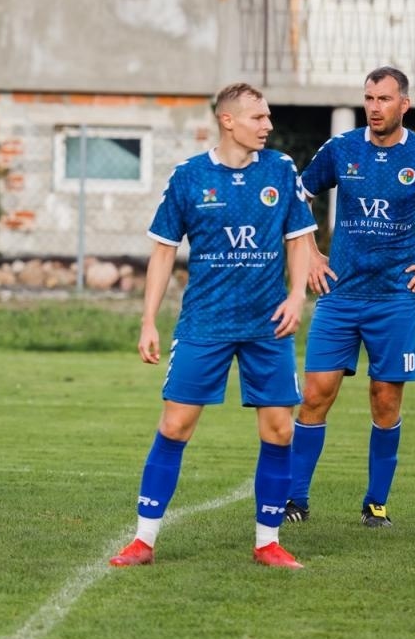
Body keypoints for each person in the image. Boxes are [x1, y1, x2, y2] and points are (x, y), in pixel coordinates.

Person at [109, 82, 314, 570]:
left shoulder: (281, 170)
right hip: (204, 321)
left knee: (281, 430)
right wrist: (148, 322)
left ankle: (268, 541)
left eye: (268, 117)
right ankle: (143, 540)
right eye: (258, 118)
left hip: (268, 325)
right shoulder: (189, 177)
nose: (268, 126)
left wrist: (296, 295)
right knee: (176, 425)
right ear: (228, 121)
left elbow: (300, 238)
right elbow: (162, 252)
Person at [286, 66, 415, 527]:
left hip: (395, 298)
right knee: (315, 395)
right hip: (340, 296)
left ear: (404, 105)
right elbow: (298, 196)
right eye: (369, 99)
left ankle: (375, 504)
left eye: (384, 99)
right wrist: (312, 253)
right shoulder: (341, 149)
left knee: (384, 399)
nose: (374, 108)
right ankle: (296, 500)